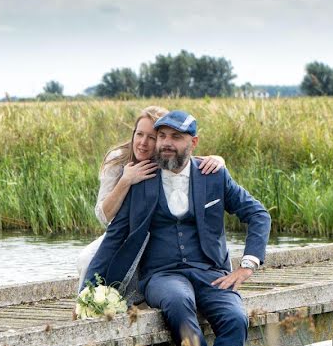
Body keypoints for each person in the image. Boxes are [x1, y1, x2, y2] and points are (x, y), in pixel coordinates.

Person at [82, 110, 271, 346]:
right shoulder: (142, 181)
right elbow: (114, 236)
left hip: (211, 272)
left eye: (176, 137)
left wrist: (248, 265)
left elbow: (258, 214)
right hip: (162, 275)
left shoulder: (213, 175)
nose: (166, 144)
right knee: (178, 303)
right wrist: (89, 290)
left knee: (236, 317)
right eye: (163, 136)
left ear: (193, 142)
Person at [76, 106, 225, 291]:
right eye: (139, 134)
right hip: (123, 230)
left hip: (158, 232)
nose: (143, 143)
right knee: (86, 258)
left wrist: (218, 159)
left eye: (152, 137)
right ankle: (87, 300)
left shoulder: (166, 156)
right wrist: (126, 180)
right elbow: (103, 216)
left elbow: (190, 160)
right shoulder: (117, 159)